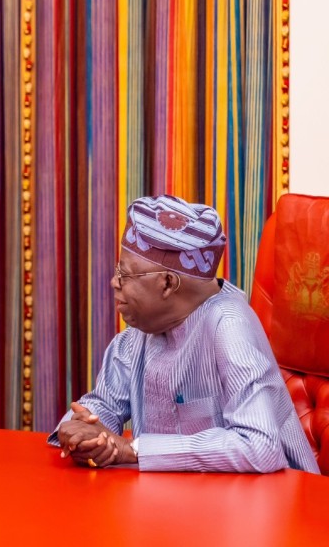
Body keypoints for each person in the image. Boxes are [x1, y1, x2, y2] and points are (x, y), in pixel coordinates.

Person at [49, 194, 318, 474]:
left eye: (125, 275)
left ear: (167, 284)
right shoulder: (147, 327)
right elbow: (104, 403)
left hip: (272, 496)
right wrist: (84, 430)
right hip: (179, 496)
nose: (114, 282)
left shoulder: (229, 325)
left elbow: (260, 446)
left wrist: (133, 449)